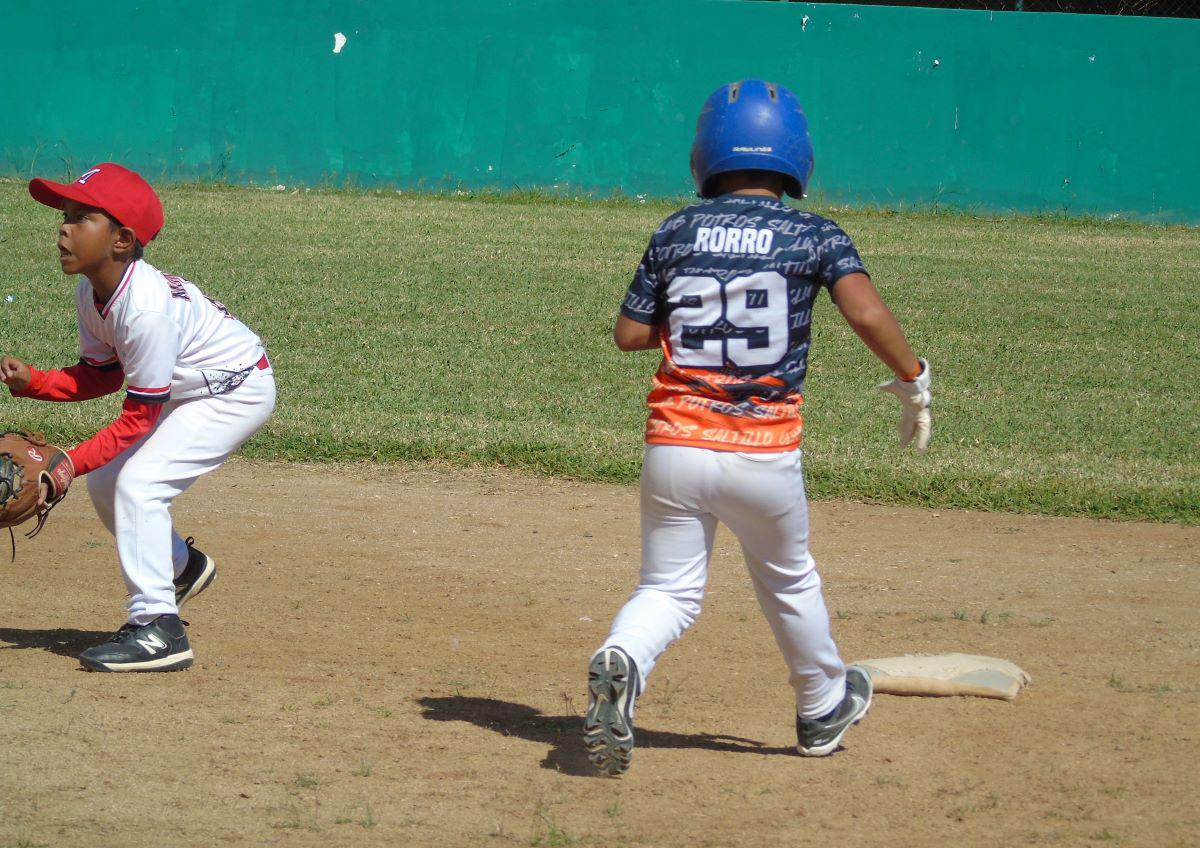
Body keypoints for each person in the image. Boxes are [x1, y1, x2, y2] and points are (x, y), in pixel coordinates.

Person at [583, 80, 932, 776]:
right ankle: (822, 704)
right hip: (763, 452)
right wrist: (914, 377)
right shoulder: (815, 233)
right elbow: (865, 314)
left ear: (705, 151)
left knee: (668, 591)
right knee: (789, 580)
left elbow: (629, 335)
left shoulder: (676, 230)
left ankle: (621, 657)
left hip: (675, 446)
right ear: (795, 154)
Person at [1, 163, 276, 672]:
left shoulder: (145, 309)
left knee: (140, 485)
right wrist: (36, 382)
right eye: (65, 214)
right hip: (188, 387)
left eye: (81, 217)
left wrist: (65, 465)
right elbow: (102, 374)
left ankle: (158, 630)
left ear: (122, 239)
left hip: (235, 390)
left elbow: (137, 419)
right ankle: (180, 567)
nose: (63, 227)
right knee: (108, 483)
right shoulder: (93, 290)